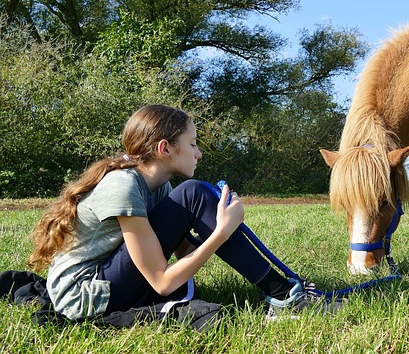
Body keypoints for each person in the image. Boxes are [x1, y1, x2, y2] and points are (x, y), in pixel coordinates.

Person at [27, 104, 340, 324]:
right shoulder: (123, 186)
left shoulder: (156, 185)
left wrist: (220, 226)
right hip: (83, 297)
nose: (198, 152)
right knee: (194, 193)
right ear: (165, 148)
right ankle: (285, 295)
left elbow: (184, 250)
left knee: (196, 195)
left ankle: (285, 291)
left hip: (106, 281)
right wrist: (220, 233)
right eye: (192, 144)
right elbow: (162, 282)